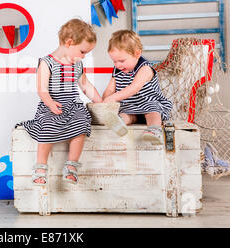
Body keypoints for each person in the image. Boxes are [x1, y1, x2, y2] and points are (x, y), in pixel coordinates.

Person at [15, 19, 103, 185]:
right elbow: (42, 88)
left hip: (73, 105)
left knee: (82, 123)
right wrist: (49, 103)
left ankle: (71, 166)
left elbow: (85, 86)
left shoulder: (77, 65)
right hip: (53, 104)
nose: (83, 56)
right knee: (46, 126)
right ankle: (41, 166)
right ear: (69, 43)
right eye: (82, 52)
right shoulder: (47, 62)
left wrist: (100, 102)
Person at [102, 30, 172, 144]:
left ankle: (154, 129)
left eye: (121, 60)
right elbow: (110, 89)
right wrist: (105, 100)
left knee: (152, 108)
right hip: (131, 107)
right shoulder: (117, 71)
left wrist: (114, 97)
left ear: (137, 54)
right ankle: (119, 123)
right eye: (114, 61)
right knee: (125, 113)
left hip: (149, 104)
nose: (118, 65)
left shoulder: (144, 68)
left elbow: (134, 87)